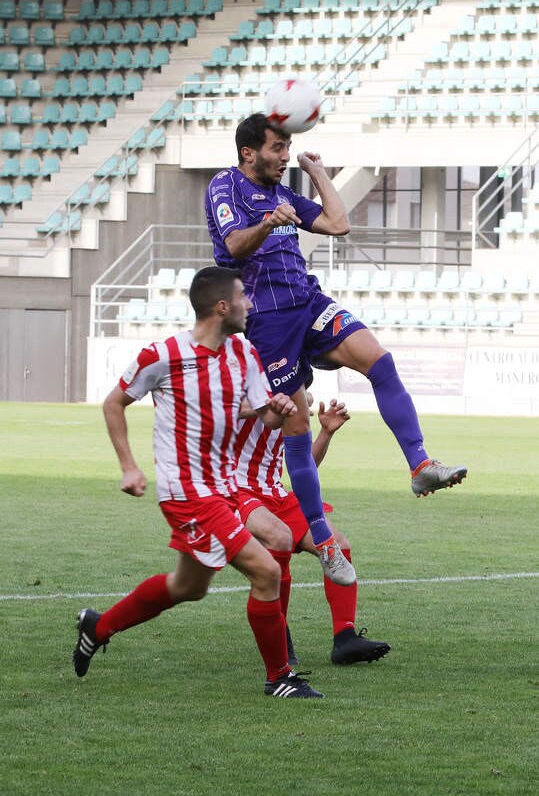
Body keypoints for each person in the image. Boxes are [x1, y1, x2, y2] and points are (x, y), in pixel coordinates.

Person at [205, 113, 467, 579]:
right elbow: (234, 245)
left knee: (380, 362)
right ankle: (323, 540)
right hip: (267, 318)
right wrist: (267, 224)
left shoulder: (286, 191)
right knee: (296, 424)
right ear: (249, 152)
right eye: (278, 149)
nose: (284, 157)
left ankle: (420, 463)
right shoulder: (224, 187)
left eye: (288, 148)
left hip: (307, 302)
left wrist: (317, 171)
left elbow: (338, 223)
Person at [72, 266, 324, 699]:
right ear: (221, 306)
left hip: (223, 489)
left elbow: (261, 414)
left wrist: (276, 408)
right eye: (243, 297)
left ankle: (100, 625)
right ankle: (279, 676)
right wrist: (129, 466)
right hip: (187, 492)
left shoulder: (243, 356)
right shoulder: (164, 355)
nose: (250, 304)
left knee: (187, 587)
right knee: (265, 570)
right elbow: (115, 403)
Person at [236, 387, 391, 666]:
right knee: (279, 537)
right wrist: (279, 402)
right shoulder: (241, 384)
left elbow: (303, 467)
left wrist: (326, 432)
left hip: (275, 493)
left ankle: (345, 638)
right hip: (235, 490)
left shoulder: (293, 402)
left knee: (337, 544)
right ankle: (278, 632)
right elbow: (230, 407)